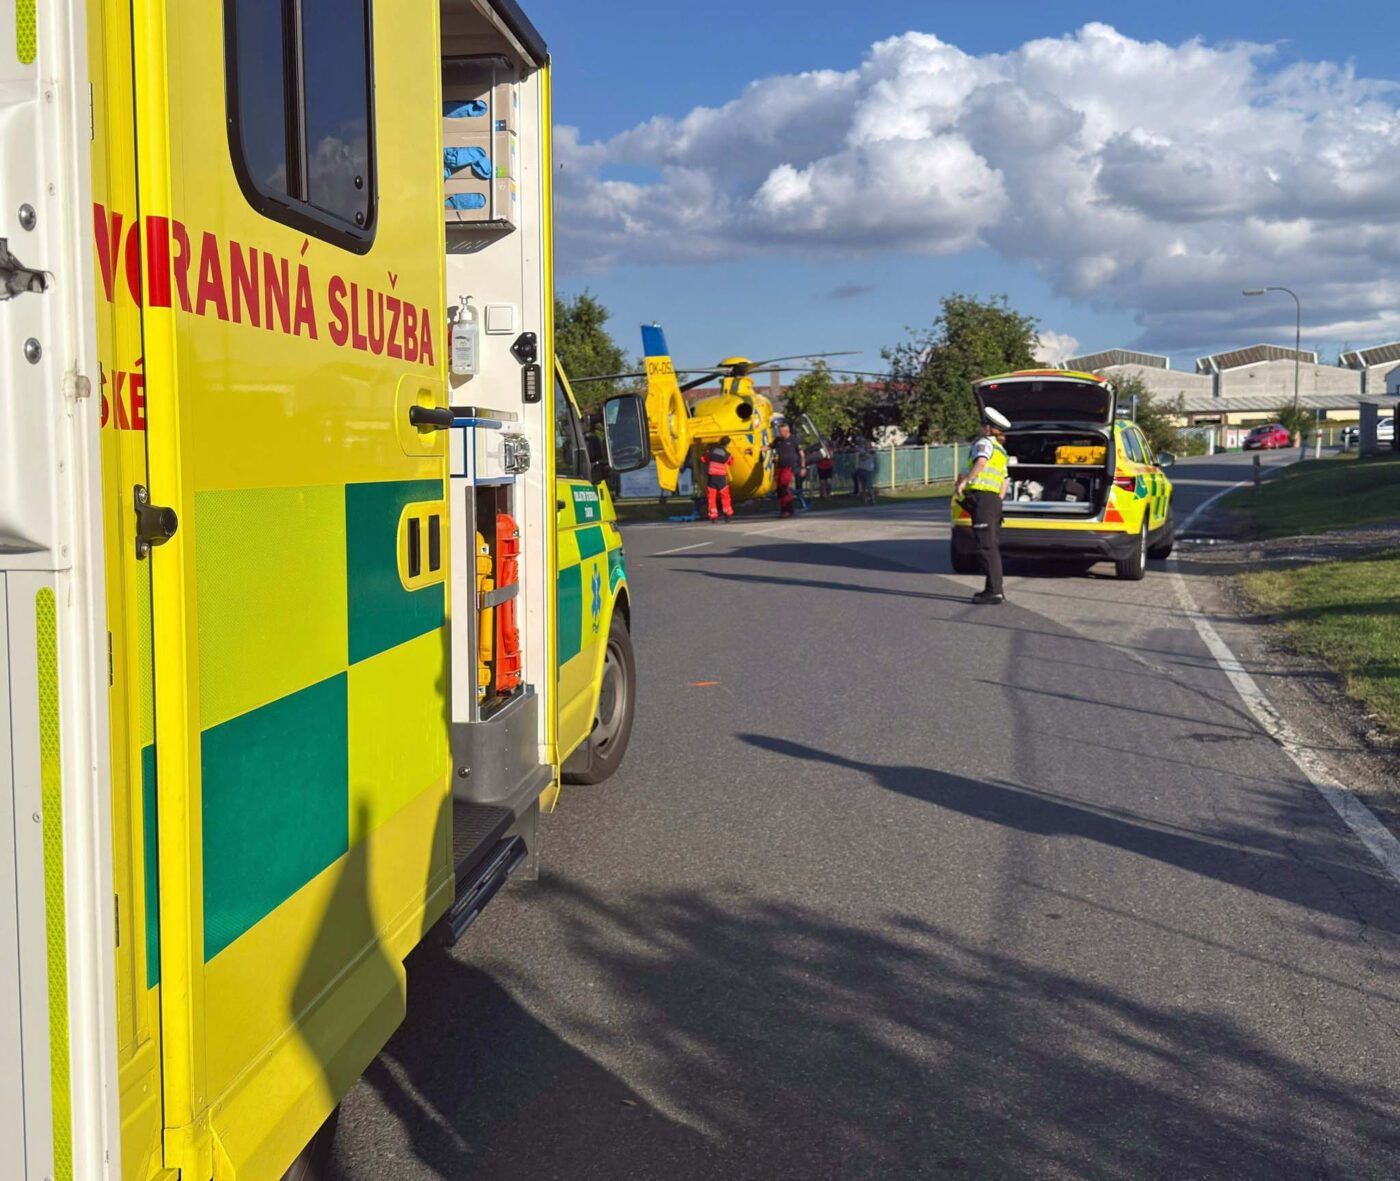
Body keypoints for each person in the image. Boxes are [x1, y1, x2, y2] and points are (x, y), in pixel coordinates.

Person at [953, 408, 1012, 605]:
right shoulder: (1001, 450)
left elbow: (980, 462)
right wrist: (998, 500)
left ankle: (994, 592)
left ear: (988, 427)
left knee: (985, 546)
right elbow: (1005, 480)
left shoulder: (984, 443)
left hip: (983, 499)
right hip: (993, 500)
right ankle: (994, 590)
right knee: (991, 546)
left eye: (982, 425)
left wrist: (965, 481)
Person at [769, 422, 805, 517]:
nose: (780, 433)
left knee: (785, 488)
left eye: (781, 431)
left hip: (789, 467)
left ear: (787, 431)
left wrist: (803, 467)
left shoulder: (794, 440)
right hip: (780, 467)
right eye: (779, 431)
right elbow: (769, 447)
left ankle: (788, 509)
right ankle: (783, 509)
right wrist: (755, 450)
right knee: (780, 489)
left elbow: (802, 454)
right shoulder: (778, 440)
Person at [703, 436, 735, 522]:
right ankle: (727, 514)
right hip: (721, 477)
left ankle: (713, 515)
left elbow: (703, 459)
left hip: (712, 477)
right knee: (725, 497)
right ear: (727, 444)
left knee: (711, 498)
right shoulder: (727, 454)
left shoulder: (711, 450)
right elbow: (731, 462)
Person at [853, 435, 876, 504]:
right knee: (863, 486)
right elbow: (860, 455)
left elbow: (866, 456)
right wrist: (864, 453)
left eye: (868, 444)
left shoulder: (871, 451)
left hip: (868, 470)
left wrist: (866, 453)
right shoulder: (861, 449)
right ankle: (865, 500)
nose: (866, 445)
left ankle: (872, 499)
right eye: (865, 444)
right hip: (861, 468)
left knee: (869, 486)